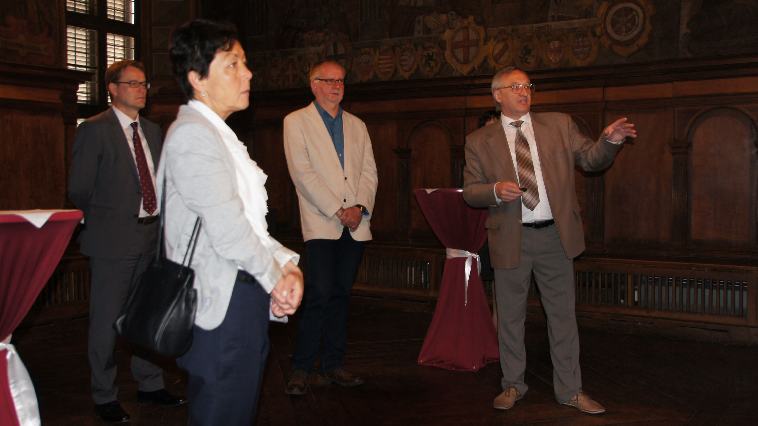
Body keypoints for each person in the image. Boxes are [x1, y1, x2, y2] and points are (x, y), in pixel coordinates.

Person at [462, 67, 637, 415]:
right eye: (515, 86)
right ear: (497, 95)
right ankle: (512, 385)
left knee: (563, 317)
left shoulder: (558, 124)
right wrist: (495, 190)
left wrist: (610, 141)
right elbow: (470, 191)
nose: (524, 91)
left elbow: (591, 160)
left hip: (556, 236)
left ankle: (571, 390)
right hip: (511, 238)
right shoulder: (479, 140)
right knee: (510, 317)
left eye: (527, 85)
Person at [162, 19, 304, 424]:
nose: (248, 73)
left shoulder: (218, 135)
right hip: (221, 305)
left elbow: (250, 225)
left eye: (244, 62)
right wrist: (276, 279)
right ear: (198, 79)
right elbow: (229, 232)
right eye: (233, 64)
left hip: (243, 294)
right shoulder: (192, 136)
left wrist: (287, 265)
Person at [68, 59, 185, 423]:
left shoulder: (152, 130)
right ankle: (104, 394)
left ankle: (150, 384)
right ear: (112, 89)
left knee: (146, 315)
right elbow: (79, 189)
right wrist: (109, 219)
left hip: (151, 236)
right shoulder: (94, 129)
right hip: (112, 241)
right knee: (106, 322)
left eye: (144, 83)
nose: (141, 89)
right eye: (132, 83)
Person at [283, 60, 378, 396]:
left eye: (340, 81)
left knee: (341, 294)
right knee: (319, 294)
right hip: (322, 221)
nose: (337, 86)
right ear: (314, 85)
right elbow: (302, 173)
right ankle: (301, 368)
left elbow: (369, 172)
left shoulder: (357, 125)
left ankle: (333, 364)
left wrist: (359, 208)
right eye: (329, 80)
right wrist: (338, 210)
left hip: (356, 223)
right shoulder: (296, 121)